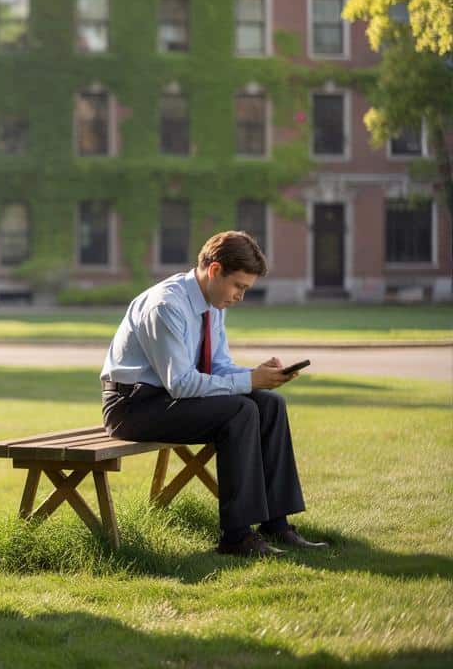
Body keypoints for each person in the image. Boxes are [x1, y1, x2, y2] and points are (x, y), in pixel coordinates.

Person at [100, 230, 327, 557]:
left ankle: (277, 525)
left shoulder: (213, 303)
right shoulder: (166, 306)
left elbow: (217, 366)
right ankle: (236, 538)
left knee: (269, 404)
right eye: (239, 286)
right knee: (241, 410)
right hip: (132, 406)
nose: (240, 297)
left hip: (168, 399)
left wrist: (257, 376)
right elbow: (181, 383)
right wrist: (250, 381)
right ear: (215, 270)